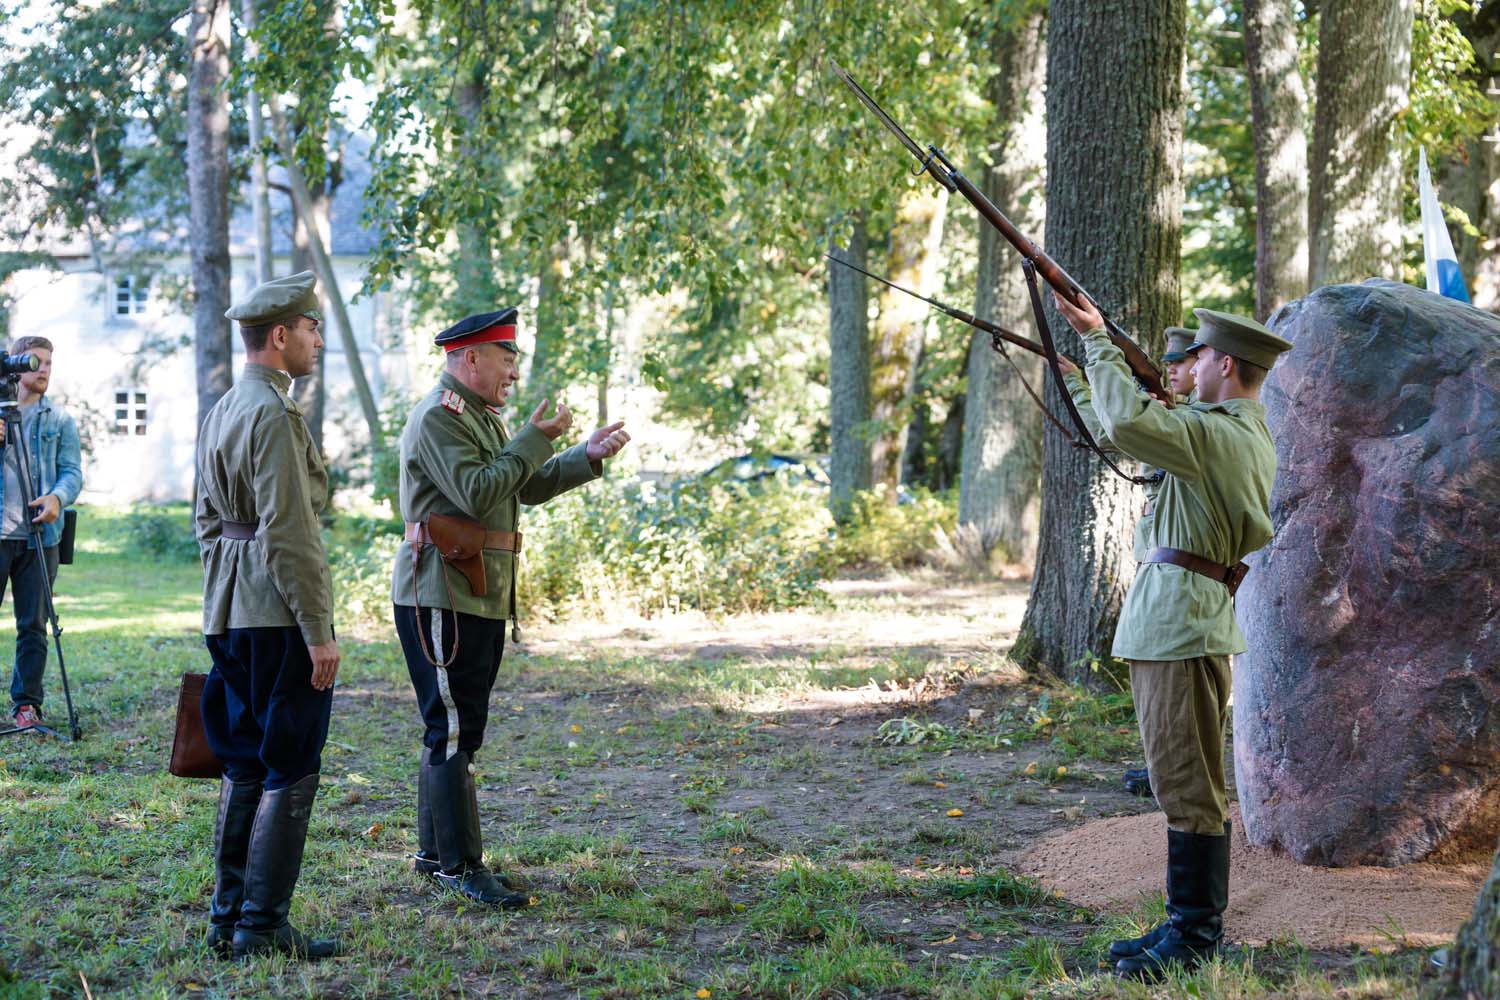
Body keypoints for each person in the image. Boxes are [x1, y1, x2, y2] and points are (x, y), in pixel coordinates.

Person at [1052, 293, 1291, 981]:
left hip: (1182, 625)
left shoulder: (1222, 434)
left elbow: (1128, 422)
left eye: (1201, 356)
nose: (1189, 366)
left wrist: (1100, 342)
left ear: (1223, 363)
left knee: (1188, 785)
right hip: (1175, 619)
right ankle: (1186, 924)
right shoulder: (1218, 428)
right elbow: (1120, 424)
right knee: (1179, 779)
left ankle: (1195, 940)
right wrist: (1078, 373)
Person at [393, 307, 630, 909]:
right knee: (451, 729)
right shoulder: (439, 418)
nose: (514, 374)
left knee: (453, 727)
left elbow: (521, 484)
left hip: (474, 591)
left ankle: (434, 855)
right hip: (440, 591)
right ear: (469, 358)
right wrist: (535, 437)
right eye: (506, 360)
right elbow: (477, 491)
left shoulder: (479, 416)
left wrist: (585, 453)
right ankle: (461, 867)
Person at [195, 271, 341, 960]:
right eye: (310, 328)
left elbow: (206, 524)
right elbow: (290, 532)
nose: (317, 339)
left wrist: (222, 589)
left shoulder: (223, 408)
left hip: (228, 612)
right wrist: (319, 630)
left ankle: (229, 919)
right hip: (278, 618)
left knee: (244, 762)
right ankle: (261, 925)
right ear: (279, 336)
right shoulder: (275, 414)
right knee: (289, 763)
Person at [1058, 327, 1198, 798]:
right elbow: (1106, 431)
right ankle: (1167, 766)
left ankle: (1184, 776)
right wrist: (1077, 382)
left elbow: (1119, 427)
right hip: (1160, 559)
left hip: (1188, 566)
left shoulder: (1196, 424)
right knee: (1164, 685)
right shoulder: (1164, 414)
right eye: (1168, 362)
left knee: (1183, 682)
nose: (1172, 369)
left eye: (1182, 361)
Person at [3, 336, 82, 732]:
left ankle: (26, 706)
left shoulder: (59, 419)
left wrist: (57, 496)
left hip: (40, 539)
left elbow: (72, 471)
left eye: (50, 362)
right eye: (37, 362)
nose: (45, 369)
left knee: (33, 625)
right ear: (17, 366)